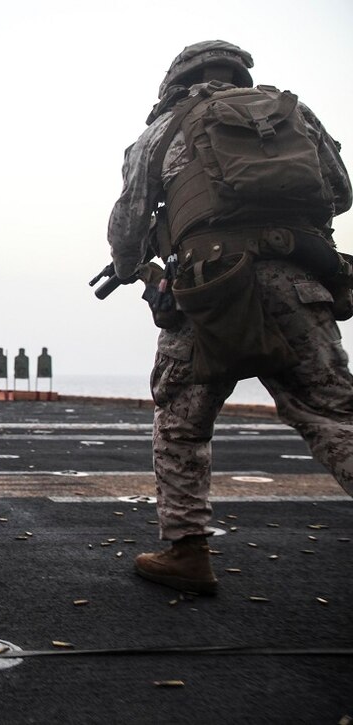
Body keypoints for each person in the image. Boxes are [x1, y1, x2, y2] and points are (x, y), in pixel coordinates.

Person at [107, 40, 353, 595]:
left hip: (210, 290)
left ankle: (187, 552)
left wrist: (131, 266)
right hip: (299, 282)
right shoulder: (292, 113)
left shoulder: (162, 131)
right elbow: (340, 193)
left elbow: (126, 225)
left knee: (181, 422)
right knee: (335, 417)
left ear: (174, 82)